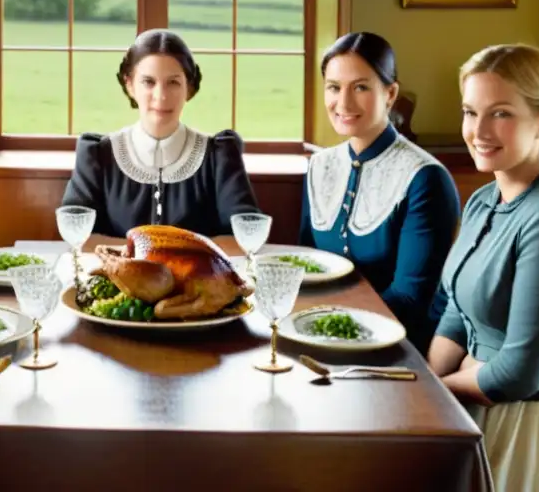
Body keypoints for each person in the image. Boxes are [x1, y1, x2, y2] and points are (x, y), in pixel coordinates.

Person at [428, 43, 539, 490]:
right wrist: (428, 380)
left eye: (500, 113)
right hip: (472, 398)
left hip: (531, 421)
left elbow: (519, 373)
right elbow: (455, 310)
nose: (478, 130)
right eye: (470, 111)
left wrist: (436, 390)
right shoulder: (485, 198)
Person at [299, 32, 460, 352]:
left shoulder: (425, 178)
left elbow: (410, 299)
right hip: (322, 336)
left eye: (360, 87)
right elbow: (307, 264)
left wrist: (323, 326)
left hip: (401, 351)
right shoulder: (320, 166)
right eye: (334, 87)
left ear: (390, 93)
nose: (343, 103)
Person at [61, 28, 260, 237]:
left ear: (189, 88)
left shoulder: (219, 155)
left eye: (173, 82)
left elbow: (244, 238)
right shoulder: (97, 154)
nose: (161, 96)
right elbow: (77, 235)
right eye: (148, 82)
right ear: (129, 85)